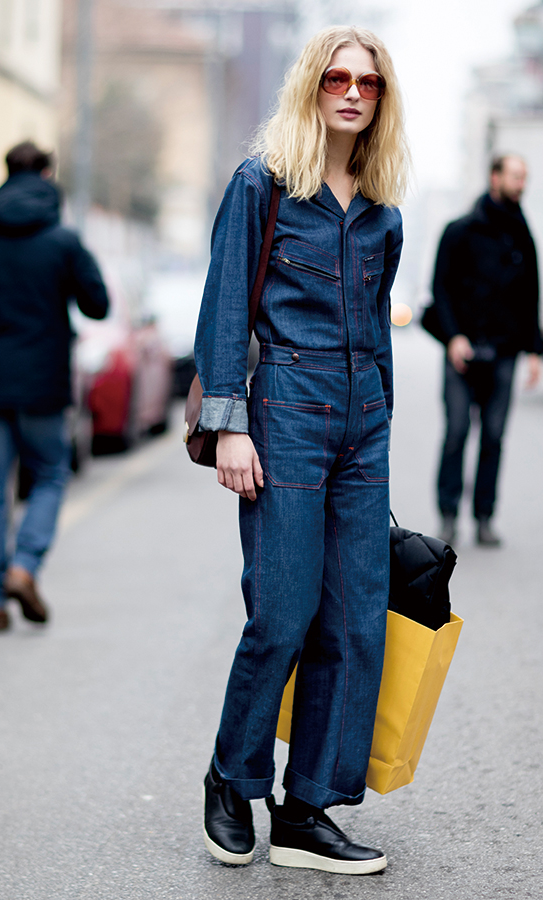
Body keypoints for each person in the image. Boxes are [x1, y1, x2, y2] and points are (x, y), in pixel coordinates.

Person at [194, 26, 409, 874]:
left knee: (356, 623)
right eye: (336, 78)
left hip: (362, 425)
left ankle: (308, 809)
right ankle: (231, 775)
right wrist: (230, 423)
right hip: (284, 409)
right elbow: (224, 306)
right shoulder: (264, 184)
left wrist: (381, 421)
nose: (352, 93)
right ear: (311, 87)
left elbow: (379, 332)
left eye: (368, 83)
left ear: (382, 101)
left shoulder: (383, 212)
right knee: (283, 612)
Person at [0, 141, 109, 631]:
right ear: (48, 176)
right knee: (50, 474)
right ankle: (24, 566)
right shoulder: (63, 241)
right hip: (44, 385)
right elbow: (97, 304)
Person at [427, 154, 542, 547]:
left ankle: (484, 518)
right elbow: (440, 289)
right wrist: (453, 337)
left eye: (525, 177)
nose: (522, 184)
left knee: (493, 437)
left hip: (505, 353)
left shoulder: (523, 236)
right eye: (516, 176)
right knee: (457, 432)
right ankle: (447, 515)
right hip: (461, 351)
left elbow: (531, 296)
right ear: (495, 177)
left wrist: (535, 351)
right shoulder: (459, 231)